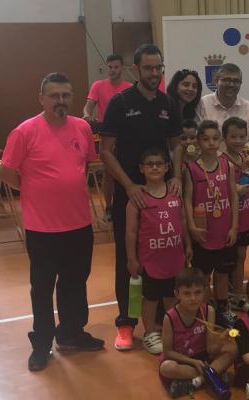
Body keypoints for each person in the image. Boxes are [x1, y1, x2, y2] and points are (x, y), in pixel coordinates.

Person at [0, 72, 104, 371]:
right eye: (54, 95)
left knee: (75, 282)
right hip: (42, 229)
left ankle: (71, 334)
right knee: (43, 288)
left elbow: (85, 165)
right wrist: (32, 190)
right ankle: (42, 343)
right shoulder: (24, 132)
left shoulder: (82, 128)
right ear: (41, 98)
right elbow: (6, 172)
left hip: (79, 225)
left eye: (66, 95)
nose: (61, 101)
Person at [100, 44, 183, 351]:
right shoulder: (120, 103)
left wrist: (176, 176)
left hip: (162, 193)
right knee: (129, 258)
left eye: (158, 68)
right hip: (131, 195)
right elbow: (105, 151)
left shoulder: (168, 103)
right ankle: (126, 322)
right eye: (148, 68)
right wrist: (129, 186)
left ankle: (159, 323)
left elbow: (176, 144)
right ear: (135, 69)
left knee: (163, 254)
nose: (154, 73)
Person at [125, 148, 192, 354]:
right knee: (151, 298)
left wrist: (188, 244)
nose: (154, 167)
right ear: (141, 169)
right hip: (150, 260)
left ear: (167, 167)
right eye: (150, 164)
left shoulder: (175, 193)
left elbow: (182, 221)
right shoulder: (137, 198)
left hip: (174, 258)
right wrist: (132, 259)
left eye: (159, 164)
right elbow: (131, 232)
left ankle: (170, 330)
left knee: (171, 296)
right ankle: (150, 333)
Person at [184, 120, 239, 327]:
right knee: (203, 276)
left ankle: (223, 309)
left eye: (215, 139)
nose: (211, 143)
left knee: (223, 273)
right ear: (198, 141)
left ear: (221, 140)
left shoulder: (227, 166)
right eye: (206, 139)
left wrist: (234, 226)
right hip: (203, 232)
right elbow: (187, 200)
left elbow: (233, 196)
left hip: (224, 230)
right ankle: (205, 311)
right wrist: (191, 226)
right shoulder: (191, 169)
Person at [159, 268, 237, 399]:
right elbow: (167, 352)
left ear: (205, 291)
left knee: (233, 350)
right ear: (177, 294)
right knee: (167, 368)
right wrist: (192, 361)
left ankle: (196, 382)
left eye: (198, 292)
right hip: (182, 360)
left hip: (203, 359)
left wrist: (221, 340)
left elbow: (211, 350)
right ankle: (213, 375)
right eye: (187, 293)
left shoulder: (209, 311)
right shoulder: (170, 317)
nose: (193, 298)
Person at [83, 54, 132, 222]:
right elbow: (88, 107)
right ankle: (109, 206)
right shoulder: (98, 85)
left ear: (122, 68)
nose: (112, 70)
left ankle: (128, 205)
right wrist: (87, 115)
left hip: (125, 134)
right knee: (109, 172)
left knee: (127, 170)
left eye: (116, 67)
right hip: (106, 134)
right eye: (110, 67)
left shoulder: (129, 87)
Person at [220, 117, 249, 310]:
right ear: (224, 138)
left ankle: (237, 296)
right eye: (233, 136)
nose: (238, 141)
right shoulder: (221, 162)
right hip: (228, 221)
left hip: (246, 217)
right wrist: (235, 189)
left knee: (241, 257)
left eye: (242, 136)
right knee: (225, 262)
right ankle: (222, 298)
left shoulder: (245, 157)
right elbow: (220, 190)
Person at [196, 63, 249, 150]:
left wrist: (242, 151)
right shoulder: (202, 104)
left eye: (236, 81)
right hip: (210, 158)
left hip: (240, 157)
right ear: (216, 81)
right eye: (226, 80)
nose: (231, 84)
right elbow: (196, 137)